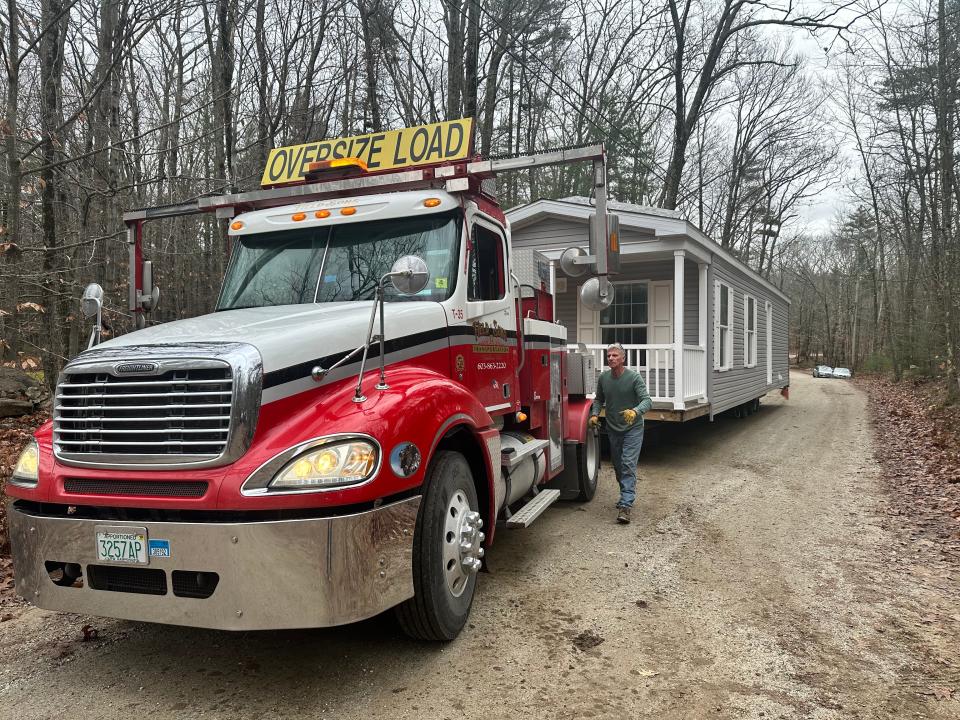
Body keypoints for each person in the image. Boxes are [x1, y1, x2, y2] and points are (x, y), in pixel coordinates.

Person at [588, 343, 652, 524]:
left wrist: (635, 411)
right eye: (609, 356)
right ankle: (626, 492)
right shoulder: (604, 378)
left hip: (633, 429)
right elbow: (599, 399)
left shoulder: (634, 378)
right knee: (618, 466)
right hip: (613, 428)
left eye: (615, 355)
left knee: (627, 464)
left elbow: (647, 401)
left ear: (623, 358)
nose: (611, 358)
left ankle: (625, 505)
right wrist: (594, 415)